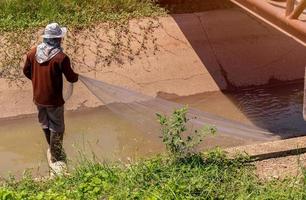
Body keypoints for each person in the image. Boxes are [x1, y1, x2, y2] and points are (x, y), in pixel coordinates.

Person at [23, 23, 78, 176]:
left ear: (46, 38)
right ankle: (56, 156)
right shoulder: (61, 58)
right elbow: (71, 77)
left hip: (38, 97)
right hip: (54, 100)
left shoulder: (32, 53)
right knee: (58, 126)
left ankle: (52, 147)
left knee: (45, 122)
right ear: (58, 39)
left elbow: (26, 71)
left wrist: (37, 80)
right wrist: (77, 77)